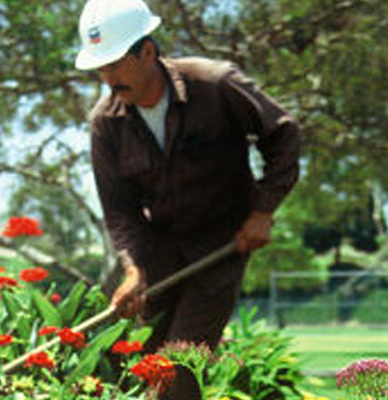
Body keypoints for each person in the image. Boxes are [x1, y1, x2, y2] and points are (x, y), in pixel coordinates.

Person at [74, 0, 300, 397]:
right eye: (100, 67)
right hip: (160, 251)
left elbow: (283, 135)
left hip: (222, 245)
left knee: (176, 371)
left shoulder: (215, 85)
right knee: (137, 368)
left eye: (114, 64)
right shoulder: (105, 123)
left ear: (147, 51)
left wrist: (263, 211)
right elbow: (120, 211)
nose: (107, 78)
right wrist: (134, 269)